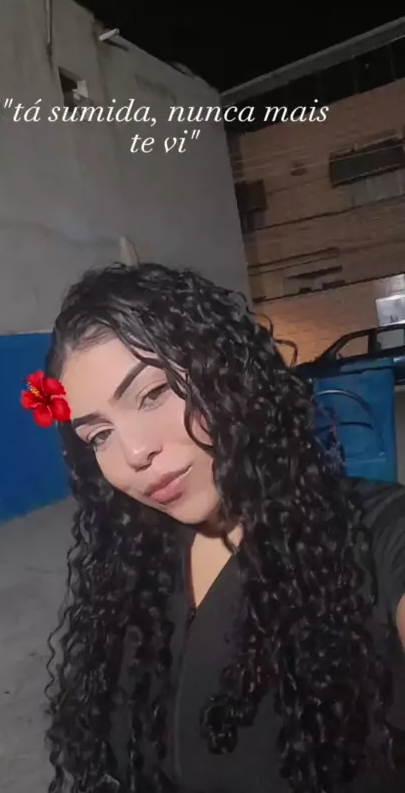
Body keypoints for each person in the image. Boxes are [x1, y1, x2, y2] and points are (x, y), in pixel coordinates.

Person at [27, 262, 405, 793]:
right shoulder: (133, 563)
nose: (134, 453)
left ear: (225, 375)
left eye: (152, 394)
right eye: (99, 435)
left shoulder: (372, 534)